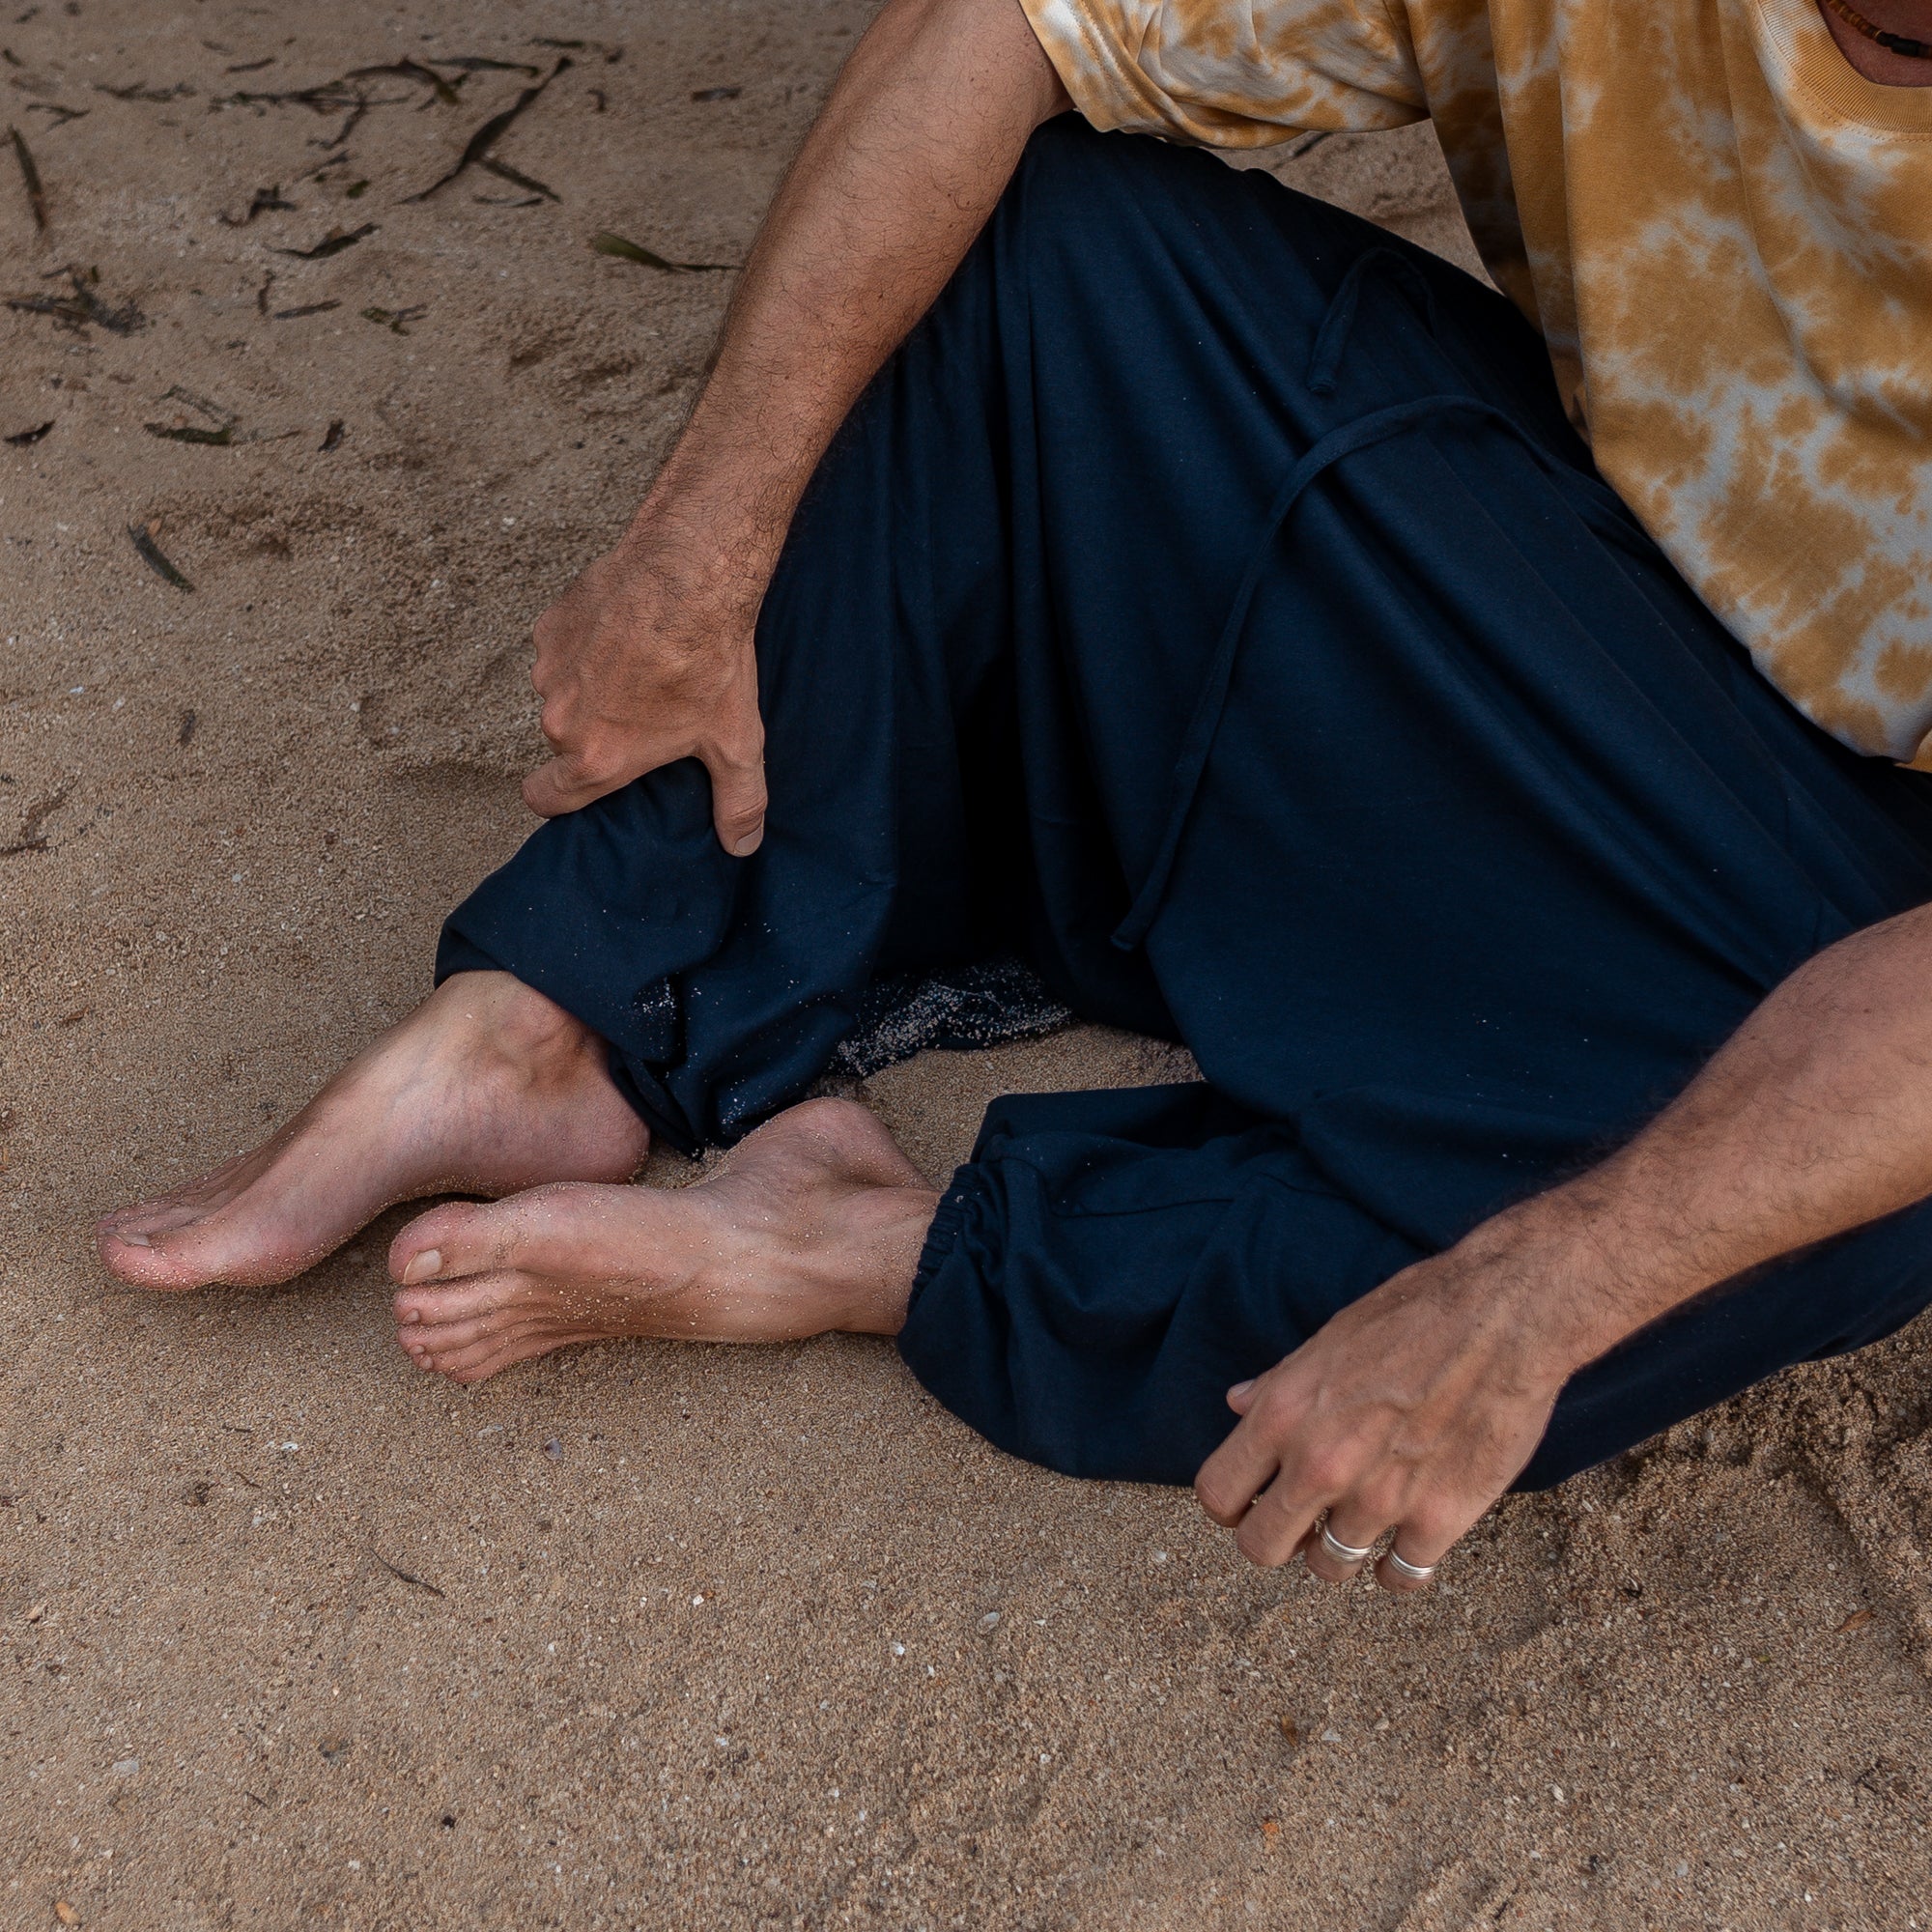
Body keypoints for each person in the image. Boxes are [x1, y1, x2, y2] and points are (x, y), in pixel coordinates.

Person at [100, 0, 1932, 1594]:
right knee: (1075, 240)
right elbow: (1005, 28)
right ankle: (555, 1015)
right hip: (1603, 627)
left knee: (1798, 1187)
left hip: (1871, 886)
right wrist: (696, 551)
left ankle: (881, 1249)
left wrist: (1543, 1288)